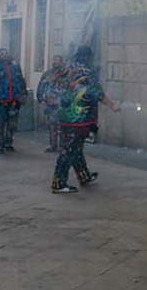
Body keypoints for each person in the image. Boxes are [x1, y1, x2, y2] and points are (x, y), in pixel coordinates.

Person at [51, 47, 120, 193]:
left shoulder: (67, 68)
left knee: (75, 149)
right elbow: (96, 93)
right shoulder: (87, 72)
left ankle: (84, 175)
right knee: (68, 150)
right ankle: (59, 183)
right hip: (79, 118)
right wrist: (112, 104)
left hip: (66, 116)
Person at [0, 48, 26, 153]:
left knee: (11, 123)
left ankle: (8, 142)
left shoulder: (15, 66)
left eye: (5, 53)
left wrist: (23, 93)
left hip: (14, 99)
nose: (4, 55)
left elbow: (21, 79)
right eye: (1, 53)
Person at [36, 55, 67, 152]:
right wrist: (40, 97)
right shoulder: (47, 74)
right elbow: (41, 85)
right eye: (54, 60)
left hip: (61, 104)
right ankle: (52, 145)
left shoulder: (66, 74)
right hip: (50, 103)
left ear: (62, 62)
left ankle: (62, 146)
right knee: (52, 125)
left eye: (57, 61)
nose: (55, 62)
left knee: (62, 126)